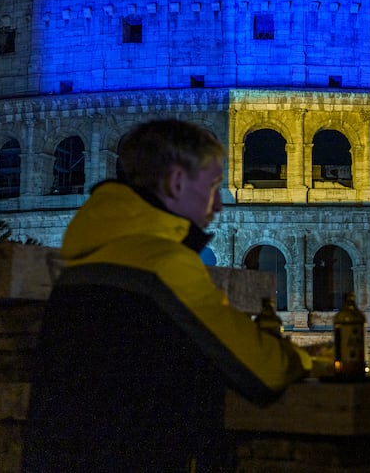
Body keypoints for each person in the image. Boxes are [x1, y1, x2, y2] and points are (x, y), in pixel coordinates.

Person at [22, 119, 311, 472]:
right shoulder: (162, 264)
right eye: (213, 186)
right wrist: (312, 360)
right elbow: (264, 372)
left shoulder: (82, 261)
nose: (218, 204)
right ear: (176, 183)